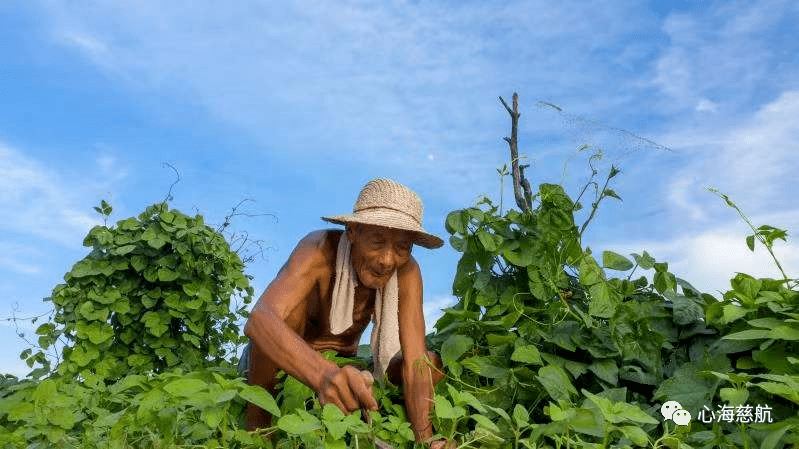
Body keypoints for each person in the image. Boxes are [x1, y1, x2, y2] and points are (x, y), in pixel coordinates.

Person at [242, 178, 446, 445]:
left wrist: (426, 440)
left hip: (346, 364)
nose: (387, 260)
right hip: (287, 360)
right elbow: (260, 320)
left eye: (401, 247)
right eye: (377, 241)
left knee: (428, 362)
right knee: (280, 320)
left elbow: (416, 359)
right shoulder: (317, 249)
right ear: (352, 231)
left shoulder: (407, 271)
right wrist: (323, 375)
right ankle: (257, 431)